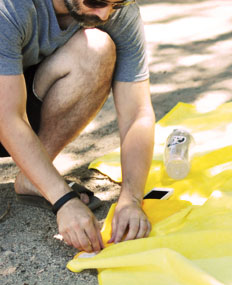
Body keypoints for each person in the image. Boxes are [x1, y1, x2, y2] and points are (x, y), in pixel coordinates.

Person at [0, 0, 155, 253]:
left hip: (20, 103)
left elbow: (137, 113)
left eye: (116, 5)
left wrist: (131, 199)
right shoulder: (11, 7)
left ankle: (33, 179)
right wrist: (64, 201)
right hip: (5, 110)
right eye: (96, 2)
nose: (104, 14)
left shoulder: (117, 10)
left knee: (96, 48)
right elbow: (7, 118)